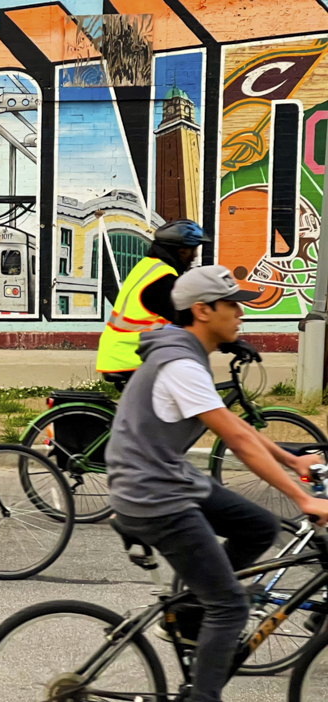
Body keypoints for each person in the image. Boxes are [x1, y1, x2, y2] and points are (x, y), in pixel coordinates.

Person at [105, 265, 328, 702]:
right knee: (229, 607)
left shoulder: (188, 354)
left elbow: (232, 424)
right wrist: (303, 497)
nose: (240, 314)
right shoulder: (179, 364)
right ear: (203, 310)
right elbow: (238, 439)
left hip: (168, 478)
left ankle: (191, 610)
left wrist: (291, 459)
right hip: (152, 494)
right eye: (232, 305)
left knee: (260, 527)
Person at [96, 219, 210, 381]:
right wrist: (224, 340)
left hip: (123, 352)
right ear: (182, 251)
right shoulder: (161, 279)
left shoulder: (149, 267)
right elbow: (183, 318)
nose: (195, 256)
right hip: (132, 357)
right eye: (194, 250)